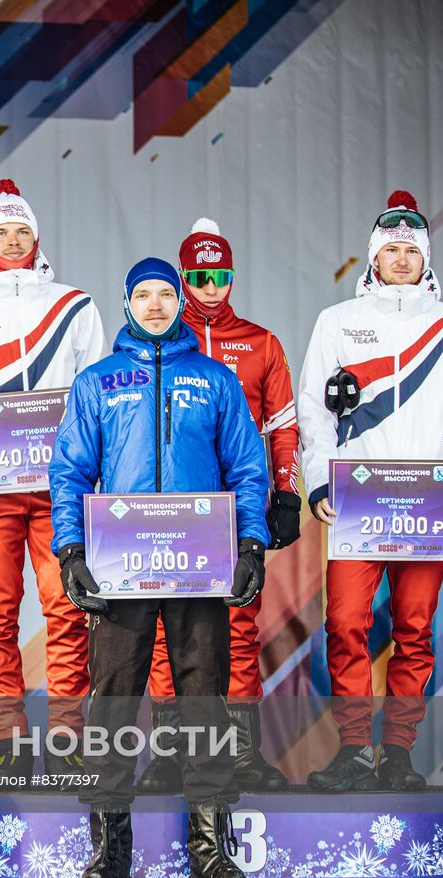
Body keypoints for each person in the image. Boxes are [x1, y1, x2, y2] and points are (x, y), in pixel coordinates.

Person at [50, 257, 269, 878]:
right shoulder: (97, 382)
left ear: (179, 302)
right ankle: (110, 856)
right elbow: (69, 472)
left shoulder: (215, 379)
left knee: (203, 703)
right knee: (114, 703)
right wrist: (71, 552)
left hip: (198, 569)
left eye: (164, 294)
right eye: (142, 295)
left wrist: (250, 544)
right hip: (120, 570)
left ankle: (210, 855)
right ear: (126, 303)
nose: (154, 304)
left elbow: (248, 467)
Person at [298, 191, 443, 791]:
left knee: (414, 627)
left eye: (412, 249)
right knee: (346, 623)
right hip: (358, 497)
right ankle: (356, 750)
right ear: (374, 259)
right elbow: (315, 410)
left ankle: (401, 753)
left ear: (425, 258)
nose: (403, 258)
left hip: (432, 500)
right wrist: (317, 483)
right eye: (392, 249)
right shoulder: (337, 321)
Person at [139, 218, 301, 793]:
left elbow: (282, 424)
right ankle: (168, 754)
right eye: (199, 276)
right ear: (183, 278)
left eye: (220, 275)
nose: (210, 287)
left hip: (234, 509)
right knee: (161, 628)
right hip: (168, 510)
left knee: (237, 621)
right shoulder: (157, 342)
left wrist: (285, 491)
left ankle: (240, 752)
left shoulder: (261, 342)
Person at [0, 179, 103, 779]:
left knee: (67, 608)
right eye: (1, 231)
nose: (13, 240)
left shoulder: (74, 303)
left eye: (22, 231)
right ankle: (11, 743)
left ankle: (68, 735)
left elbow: (98, 391)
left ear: (37, 238)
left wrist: (94, 467)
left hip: (58, 487)